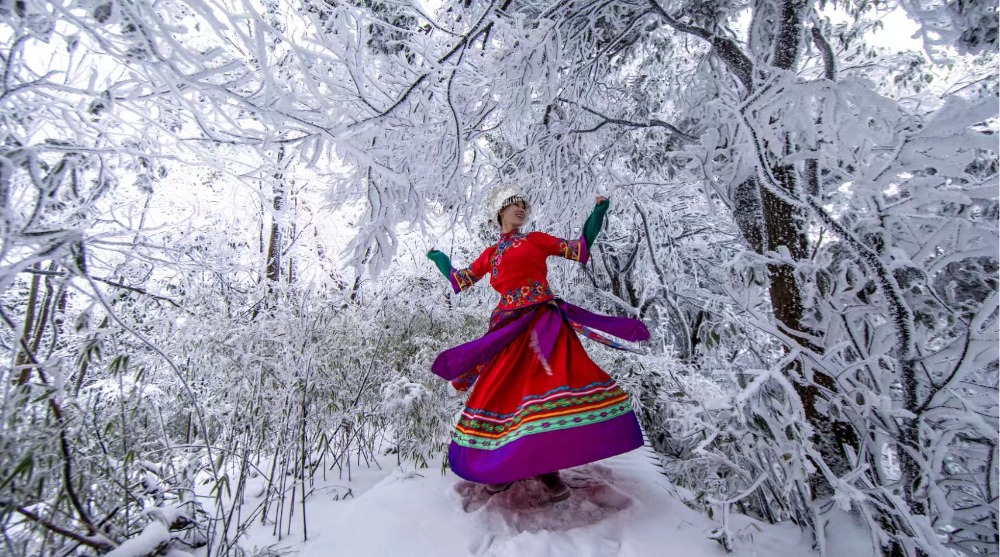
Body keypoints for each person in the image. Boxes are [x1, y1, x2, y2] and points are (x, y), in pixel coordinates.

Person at [426, 184, 648, 503]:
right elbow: (460, 281)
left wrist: (598, 212)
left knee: (545, 384)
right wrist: (440, 259)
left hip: (544, 323)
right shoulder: (490, 254)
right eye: (514, 204)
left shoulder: (537, 239)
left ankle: (549, 468)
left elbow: (579, 249)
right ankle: (504, 466)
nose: (521, 209)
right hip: (506, 327)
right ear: (500, 211)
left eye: (524, 206)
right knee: (504, 391)